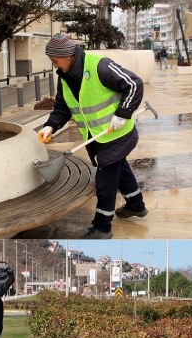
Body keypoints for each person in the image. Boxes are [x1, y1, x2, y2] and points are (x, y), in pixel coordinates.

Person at [37, 33, 148, 239]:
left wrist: (123, 113)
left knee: (105, 181)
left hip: (117, 134)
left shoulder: (100, 66)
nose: (54, 66)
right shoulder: (65, 77)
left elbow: (134, 84)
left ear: (68, 55)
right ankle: (136, 205)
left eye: (55, 61)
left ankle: (102, 227)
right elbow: (62, 107)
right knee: (119, 167)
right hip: (97, 137)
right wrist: (50, 126)